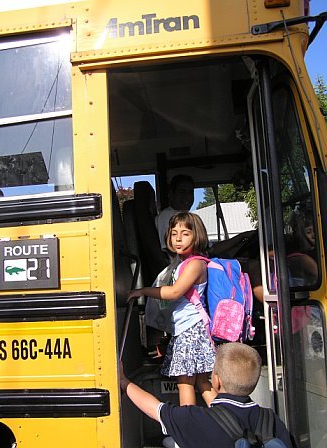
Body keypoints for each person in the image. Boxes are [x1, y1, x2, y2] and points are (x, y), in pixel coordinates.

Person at [120, 343, 295, 448]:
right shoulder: (271, 420)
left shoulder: (195, 419)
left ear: (216, 381)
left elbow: (154, 409)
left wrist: (123, 381)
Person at [128, 211, 216, 408]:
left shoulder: (195, 264)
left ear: (197, 235)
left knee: (185, 383)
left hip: (190, 331)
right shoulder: (185, 262)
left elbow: (175, 292)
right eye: (174, 232)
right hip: (192, 329)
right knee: (202, 383)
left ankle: (186, 433)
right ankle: (229, 423)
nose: (177, 238)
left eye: (185, 233)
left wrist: (142, 291)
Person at [155, 175, 194, 250]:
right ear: (171, 194)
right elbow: (168, 250)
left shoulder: (183, 217)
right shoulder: (167, 217)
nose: (187, 197)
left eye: (190, 192)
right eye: (182, 192)